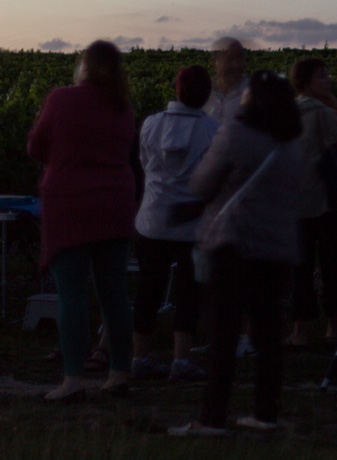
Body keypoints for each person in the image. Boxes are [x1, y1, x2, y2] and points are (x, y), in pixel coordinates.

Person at [169, 70, 303, 436]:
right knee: (269, 338)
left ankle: (211, 418)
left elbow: (201, 183)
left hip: (234, 247)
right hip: (278, 250)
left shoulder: (236, 134)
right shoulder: (291, 144)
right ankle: (265, 414)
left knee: (223, 337)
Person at [27, 40, 136, 401]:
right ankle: (120, 373)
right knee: (114, 292)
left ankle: (73, 380)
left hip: (71, 206)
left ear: (84, 66)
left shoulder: (62, 99)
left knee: (71, 294)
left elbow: (36, 146)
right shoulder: (122, 106)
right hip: (116, 204)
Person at [131, 66, 220, 382]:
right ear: (207, 95)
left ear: (176, 89)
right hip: (193, 224)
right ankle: (181, 361)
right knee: (189, 293)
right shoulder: (213, 129)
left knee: (148, 289)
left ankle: (139, 356)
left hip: (152, 220)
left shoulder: (151, 124)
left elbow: (144, 164)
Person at [286, 57, 337, 346]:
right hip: (326, 201)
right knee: (332, 265)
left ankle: (299, 331)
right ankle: (332, 327)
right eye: (320, 77)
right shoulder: (324, 113)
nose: (327, 81)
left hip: (294, 202)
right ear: (304, 82)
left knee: (299, 268)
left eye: (327, 75)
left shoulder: (285, 112)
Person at [204, 37, 248, 124]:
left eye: (239, 59)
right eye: (229, 59)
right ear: (214, 62)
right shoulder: (203, 91)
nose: (235, 65)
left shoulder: (254, 92)